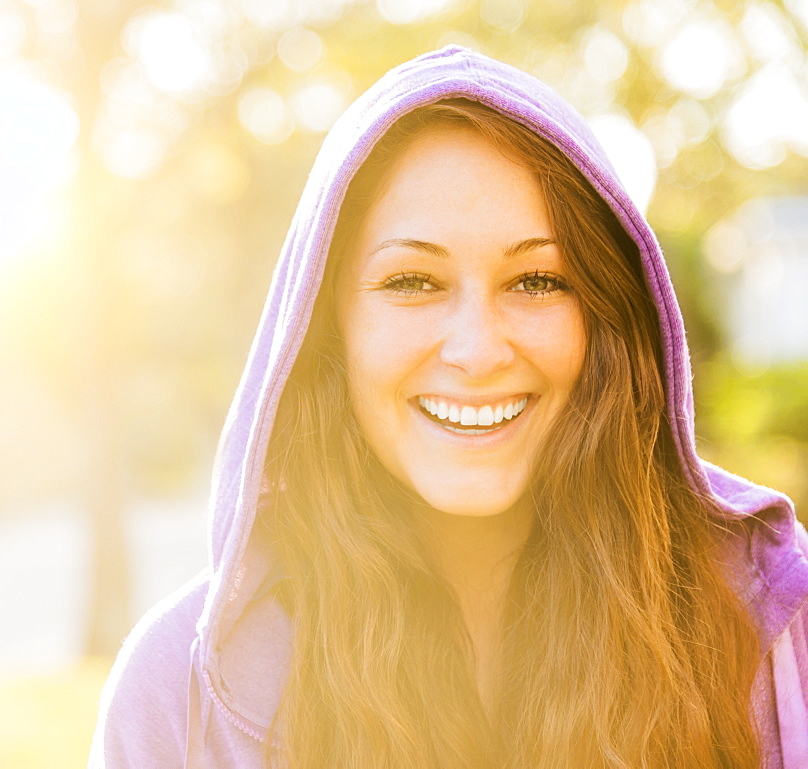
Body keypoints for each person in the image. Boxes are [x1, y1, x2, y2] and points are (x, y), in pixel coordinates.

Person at [88, 46, 808, 768]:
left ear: (607, 319)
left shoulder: (770, 625)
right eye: (412, 281)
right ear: (324, 322)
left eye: (535, 281)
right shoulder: (175, 699)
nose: (476, 350)